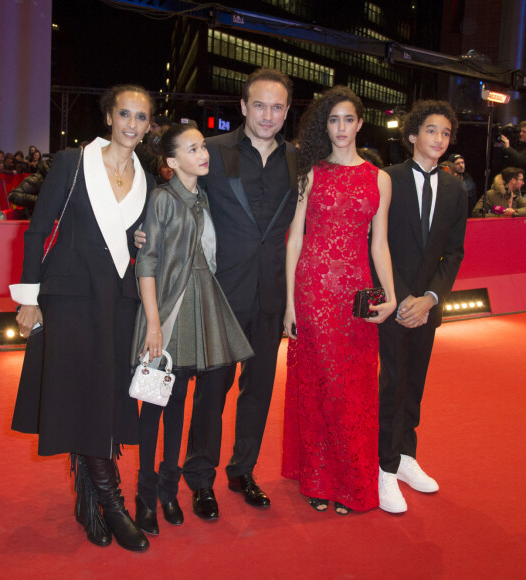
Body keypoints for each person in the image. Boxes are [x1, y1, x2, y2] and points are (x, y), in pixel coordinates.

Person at [9, 84, 155, 551]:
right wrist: (29, 296)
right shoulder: (73, 163)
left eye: (142, 118)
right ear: (110, 116)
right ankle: (111, 505)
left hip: (118, 300)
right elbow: (37, 230)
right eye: (125, 115)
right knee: (81, 396)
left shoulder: (146, 174)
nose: (133, 125)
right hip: (69, 296)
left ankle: (89, 503)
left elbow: (138, 238)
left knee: (107, 397)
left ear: (150, 125)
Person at [181, 67, 299, 519]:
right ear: (244, 107)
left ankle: (243, 470)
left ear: (287, 112)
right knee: (212, 391)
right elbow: (176, 197)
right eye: (260, 105)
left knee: (259, 391)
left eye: (277, 107)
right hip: (220, 294)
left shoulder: (296, 159)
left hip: (270, 294)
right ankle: (199, 478)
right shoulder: (212, 152)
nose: (268, 115)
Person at [131, 124, 253, 536]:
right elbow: (146, 263)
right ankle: (146, 494)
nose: (203, 154)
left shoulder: (203, 196)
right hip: (168, 312)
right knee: (157, 402)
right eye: (193, 148)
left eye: (203, 146)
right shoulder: (163, 199)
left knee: (180, 403)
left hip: (202, 303)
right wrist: (152, 326)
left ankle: (168, 488)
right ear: (170, 161)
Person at [282, 86, 396, 515]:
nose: (342, 128)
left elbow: (379, 243)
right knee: (319, 384)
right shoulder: (310, 172)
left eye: (349, 119)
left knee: (353, 389)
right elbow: (295, 240)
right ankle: (317, 478)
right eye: (333, 120)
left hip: (357, 296)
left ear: (361, 122)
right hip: (313, 292)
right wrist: (290, 302)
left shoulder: (379, 178)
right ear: (323, 125)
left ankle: (350, 482)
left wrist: (390, 296)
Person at [374, 100, 467, 514]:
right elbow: (374, 244)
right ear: (412, 135)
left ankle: (407, 457)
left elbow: (454, 252)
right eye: (431, 130)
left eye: (445, 133)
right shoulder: (387, 179)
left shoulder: (454, 188)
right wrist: (398, 298)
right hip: (392, 301)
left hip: (425, 306)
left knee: (415, 384)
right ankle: (385, 467)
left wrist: (430, 299)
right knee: (391, 386)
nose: (439, 139)